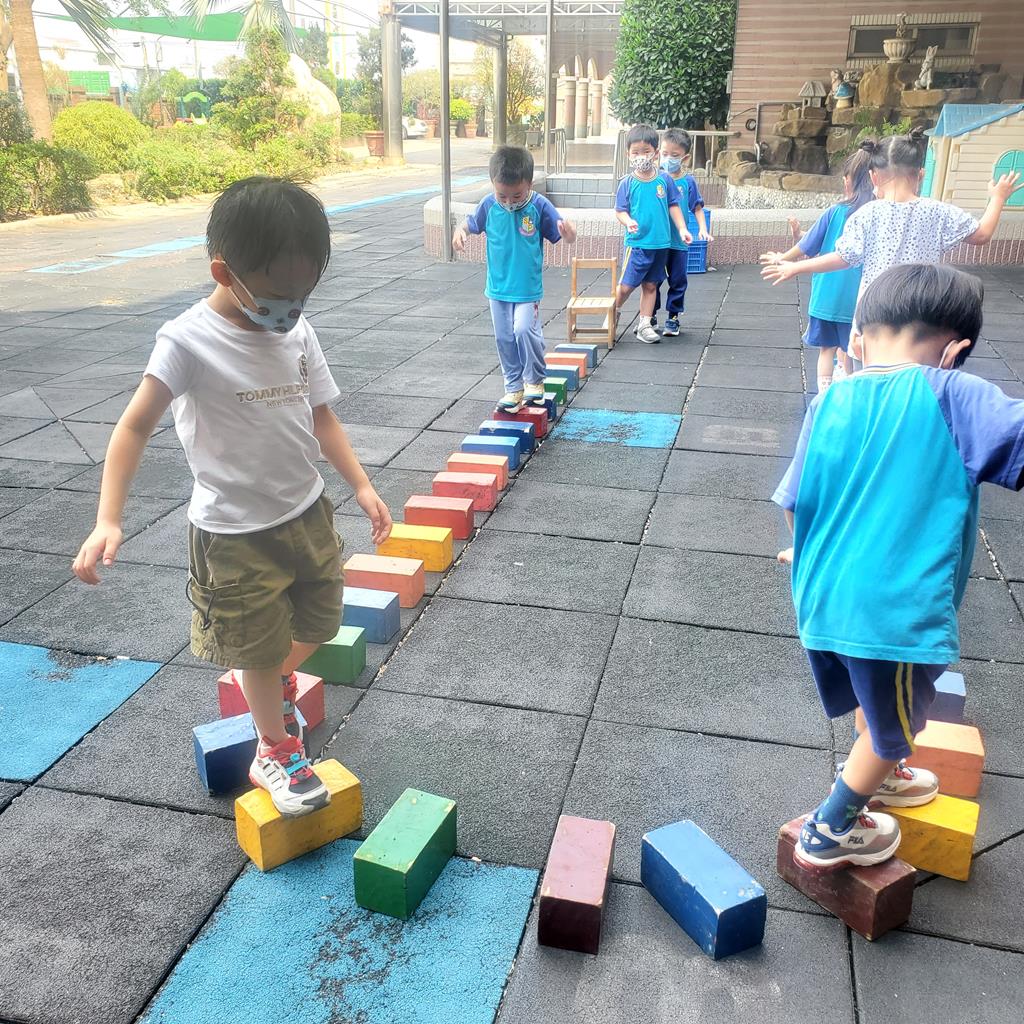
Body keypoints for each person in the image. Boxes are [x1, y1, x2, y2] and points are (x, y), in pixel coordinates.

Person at [72, 177, 393, 818]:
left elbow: (321, 415)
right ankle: (274, 747)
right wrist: (108, 518)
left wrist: (360, 484)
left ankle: (269, 679)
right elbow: (133, 426)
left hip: (305, 511)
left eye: (303, 294)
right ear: (225, 272)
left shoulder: (297, 332)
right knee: (256, 648)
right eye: (278, 295)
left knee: (322, 624)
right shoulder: (187, 340)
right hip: (234, 534)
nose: (290, 308)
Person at [773, 263, 1024, 869]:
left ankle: (879, 776)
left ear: (858, 341)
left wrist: (808, 550)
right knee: (897, 729)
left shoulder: (829, 399)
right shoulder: (952, 394)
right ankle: (830, 830)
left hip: (821, 593)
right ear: (954, 352)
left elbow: (795, 501)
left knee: (874, 695)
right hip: (895, 613)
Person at [762, 127, 1022, 317]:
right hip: (920, 309)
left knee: (870, 371)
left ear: (874, 177)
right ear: (920, 174)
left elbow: (842, 258)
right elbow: (982, 235)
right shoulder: (939, 212)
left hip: (875, 310)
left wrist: (796, 267)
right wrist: (998, 198)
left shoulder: (867, 214)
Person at [452, 146, 576, 412]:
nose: (509, 202)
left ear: (529, 184)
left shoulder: (538, 206)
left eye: (516, 195)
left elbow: (565, 233)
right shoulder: (489, 205)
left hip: (527, 288)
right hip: (497, 288)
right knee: (504, 338)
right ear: (493, 185)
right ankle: (513, 387)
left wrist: (569, 233)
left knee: (523, 330)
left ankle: (534, 381)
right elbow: (469, 223)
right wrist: (459, 231)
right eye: (502, 195)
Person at [760, 147, 874, 392]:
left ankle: (823, 395)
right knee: (852, 351)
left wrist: (782, 259)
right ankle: (846, 392)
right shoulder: (876, 215)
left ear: (847, 181)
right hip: (858, 301)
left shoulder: (835, 212)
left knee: (826, 350)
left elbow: (808, 245)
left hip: (826, 298)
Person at [614, 124, 692, 344]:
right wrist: (628, 221)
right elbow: (620, 210)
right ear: (628, 155)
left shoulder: (664, 180)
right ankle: (612, 312)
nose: (641, 156)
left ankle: (645, 324)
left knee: (651, 286)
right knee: (626, 286)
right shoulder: (627, 183)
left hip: (661, 244)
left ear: (655, 153)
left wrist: (682, 228)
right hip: (638, 244)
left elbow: (674, 205)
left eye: (646, 151)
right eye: (635, 152)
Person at [652, 128, 712, 337]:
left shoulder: (687, 182)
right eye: (665, 154)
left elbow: (697, 207)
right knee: (653, 280)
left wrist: (702, 229)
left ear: (685, 158)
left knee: (678, 280)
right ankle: (650, 315)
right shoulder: (655, 179)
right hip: (657, 241)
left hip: (678, 241)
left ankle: (673, 317)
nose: (668, 159)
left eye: (674, 155)